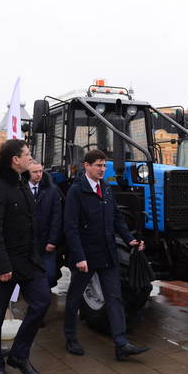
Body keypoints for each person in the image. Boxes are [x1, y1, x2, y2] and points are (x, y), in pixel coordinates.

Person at [63, 149, 150, 360]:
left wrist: (130, 239)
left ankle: (121, 344)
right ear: (87, 166)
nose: (102, 169)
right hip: (86, 256)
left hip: (108, 254)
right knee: (74, 297)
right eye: (98, 165)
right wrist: (79, 257)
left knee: (114, 298)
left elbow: (117, 219)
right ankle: (71, 338)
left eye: (104, 165)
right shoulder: (76, 191)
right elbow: (71, 227)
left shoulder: (107, 188)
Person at [0, 139, 50, 374]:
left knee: (42, 301)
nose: (31, 158)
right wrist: (1, 266)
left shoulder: (21, 181)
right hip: (2, 265)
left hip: (27, 261)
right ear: (15, 160)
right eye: (27, 154)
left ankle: (19, 354)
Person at [28, 160, 62, 288]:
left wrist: (52, 241)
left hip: (46, 242)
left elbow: (56, 217)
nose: (39, 174)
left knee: (50, 275)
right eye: (35, 172)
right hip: (27, 243)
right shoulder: (21, 190)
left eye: (40, 171)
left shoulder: (51, 191)